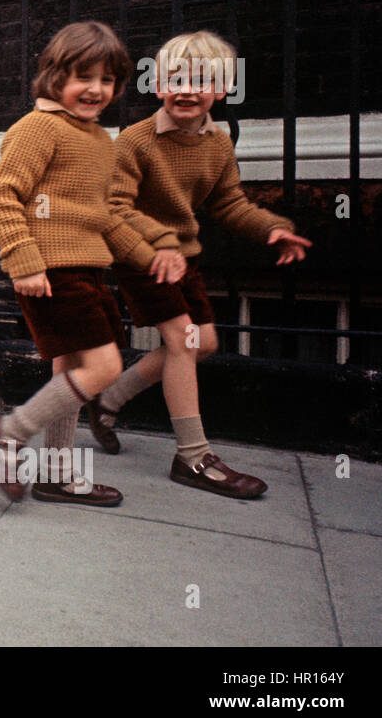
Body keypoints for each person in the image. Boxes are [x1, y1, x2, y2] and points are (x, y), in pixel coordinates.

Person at [95, 29, 312, 498]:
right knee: (179, 341)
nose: (186, 88)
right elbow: (115, 208)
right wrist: (159, 243)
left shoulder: (217, 144)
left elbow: (229, 203)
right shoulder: (134, 141)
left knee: (204, 343)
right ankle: (193, 457)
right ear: (157, 84)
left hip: (185, 259)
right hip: (142, 256)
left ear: (222, 88)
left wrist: (270, 228)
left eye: (200, 79)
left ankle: (108, 401)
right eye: (175, 77)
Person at [0, 21, 173, 506]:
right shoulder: (38, 127)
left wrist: (146, 256)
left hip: (86, 269)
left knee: (68, 367)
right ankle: (8, 431)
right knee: (103, 366)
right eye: (83, 76)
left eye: (107, 80)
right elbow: (1, 196)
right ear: (54, 75)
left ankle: (57, 474)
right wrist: (23, 260)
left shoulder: (100, 141)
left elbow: (105, 214)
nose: (96, 89)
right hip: (49, 271)